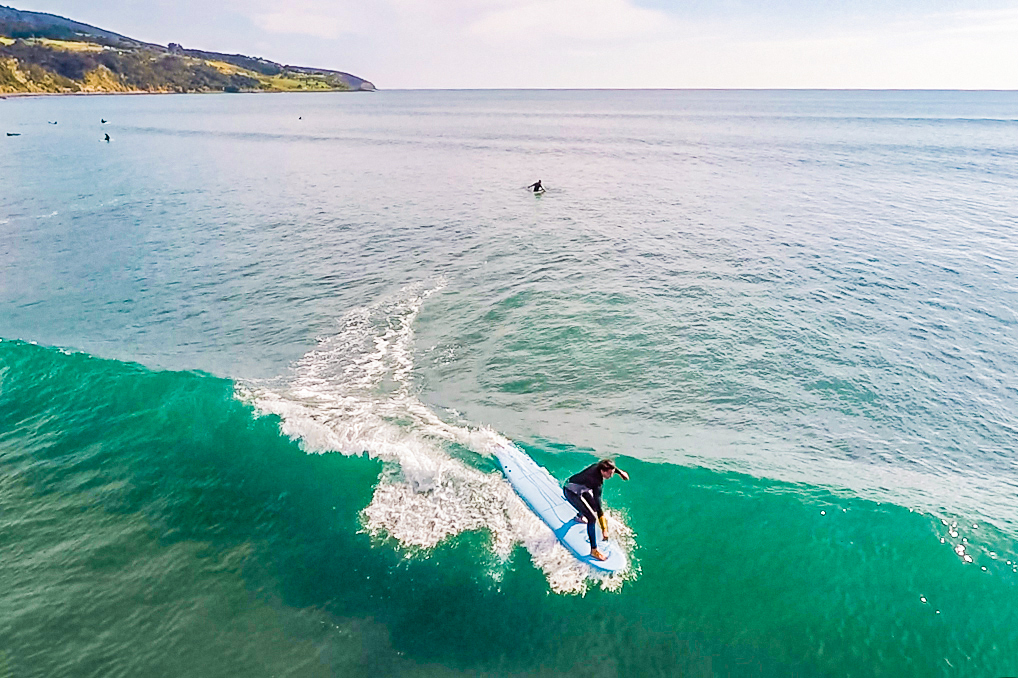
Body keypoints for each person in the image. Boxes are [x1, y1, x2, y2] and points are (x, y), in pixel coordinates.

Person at [563, 459, 629, 561]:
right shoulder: (596, 482)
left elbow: (609, 466)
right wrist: (604, 529)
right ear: (603, 471)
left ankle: (579, 516)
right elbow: (599, 508)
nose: (611, 476)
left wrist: (620, 472)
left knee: (592, 507)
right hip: (571, 491)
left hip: (580, 487)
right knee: (592, 519)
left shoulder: (599, 466)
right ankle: (594, 551)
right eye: (610, 473)